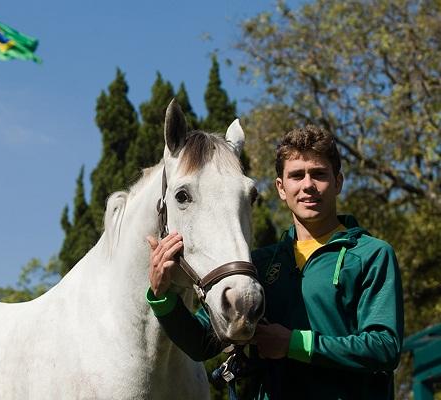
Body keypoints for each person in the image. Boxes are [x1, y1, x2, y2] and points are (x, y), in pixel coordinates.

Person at [146, 125, 404, 399]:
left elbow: (385, 347)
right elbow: (201, 343)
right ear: (281, 188)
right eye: (296, 176)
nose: (308, 185)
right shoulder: (260, 265)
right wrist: (163, 296)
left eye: (319, 174)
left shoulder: (371, 255)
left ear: (338, 182)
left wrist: (294, 344)